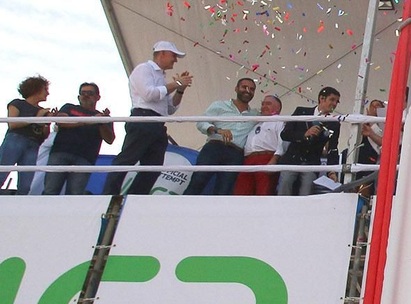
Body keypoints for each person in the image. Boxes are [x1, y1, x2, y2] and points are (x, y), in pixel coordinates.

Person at [104, 40, 192, 196]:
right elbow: (149, 94)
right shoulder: (143, 69)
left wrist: (180, 90)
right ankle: (109, 195)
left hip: (157, 124)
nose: (175, 60)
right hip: (143, 119)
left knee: (153, 167)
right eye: (173, 55)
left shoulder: (162, 78)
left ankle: (135, 196)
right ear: (162, 53)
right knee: (128, 159)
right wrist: (176, 83)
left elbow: (170, 108)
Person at [185, 77, 258, 195]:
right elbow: (201, 122)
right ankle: (183, 207)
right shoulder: (220, 105)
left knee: (224, 190)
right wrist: (218, 131)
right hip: (214, 148)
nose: (248, 91)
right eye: (244, 87)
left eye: (252, 89)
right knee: (198, 181)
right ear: (236, 88)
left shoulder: (255, 115)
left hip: (236, 154)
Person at [41, 82, 115, 196]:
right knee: (50, 190)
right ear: (78, 97)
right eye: (83, 93)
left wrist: (101, 123)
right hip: (61, 153)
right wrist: (89, 121)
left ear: (98, 97)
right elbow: (61, 122)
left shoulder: (103, 117)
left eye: (90, 93)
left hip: (85, 158)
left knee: (75, 194)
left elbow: (110, 139)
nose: (86, 96)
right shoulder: (69, 107)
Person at [0, 76, 53, 195]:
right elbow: (12, 124)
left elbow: (44, 136)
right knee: (1, 176)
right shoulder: (17, 103)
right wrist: (37, 117)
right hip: (16, 140)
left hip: (34, 145)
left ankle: (19, 205)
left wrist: (47, 122)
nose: (47, 93)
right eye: (45, 89)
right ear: (36, 89)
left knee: (26, 184)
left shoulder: (43, 111)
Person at [279, 86, 344, 196]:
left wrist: (331, 171)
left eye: (337, 101)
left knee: (307, 189)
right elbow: (285, 134)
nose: (334, 104)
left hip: (311, 162)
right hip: (292, 159)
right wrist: (304, 134)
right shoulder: (301, 111)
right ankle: (281, 206)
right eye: (332, 100)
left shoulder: (334, 123)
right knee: (285, 182)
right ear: (322, 98)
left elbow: (333, 148)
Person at [234, 94, 287, 196]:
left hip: (267, 158)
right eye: (263, 104)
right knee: (241, 193)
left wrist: (274, 159)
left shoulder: (279, 121)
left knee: (264, 193)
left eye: (268, 104)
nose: (264, 106)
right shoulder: (256, 123)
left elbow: (282, 143)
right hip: (248, 160)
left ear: (278, 108)